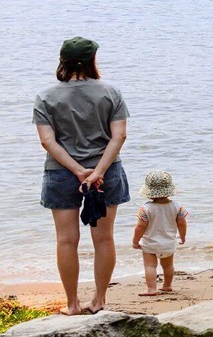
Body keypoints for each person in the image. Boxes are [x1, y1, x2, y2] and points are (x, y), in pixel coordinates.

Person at [33, 37, 130, 315]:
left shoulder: (46, 96)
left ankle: (72, 304)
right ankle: (99, 300)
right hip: (106, 172)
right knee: (104, 239)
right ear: (92, 60)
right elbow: (119, 136)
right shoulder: (111, 92)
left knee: (66, 240)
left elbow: (47, 141)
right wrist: (97, 172)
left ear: (62, 60)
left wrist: (78, 171)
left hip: (61, 172)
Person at [131, 171, 188, 296]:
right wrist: (182, 236)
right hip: (168, 243)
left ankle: (151, 289)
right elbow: (182, 223)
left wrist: (135, 241)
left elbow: (140, 227)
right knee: (168, 266)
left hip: (150, 244)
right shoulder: (177, 206)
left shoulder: (145, 209)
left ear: (149, 192)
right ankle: (167, 285)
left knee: (150, 266)